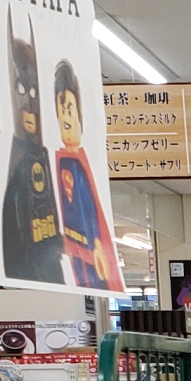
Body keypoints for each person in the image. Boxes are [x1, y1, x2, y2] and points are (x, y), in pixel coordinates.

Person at [0, 19, 65, 286]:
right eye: (21, 90)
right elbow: (11, 216)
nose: (28, 101)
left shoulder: (40, 155)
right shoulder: (15, 158)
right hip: (27, 264)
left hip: (47, 261)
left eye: (33, 92)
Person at [51, 61, 124, 292]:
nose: (66, 119)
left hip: (90, 248)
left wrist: (97, 245)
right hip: (74, 245)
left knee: (93, 280)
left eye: (70, 110)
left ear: (80, 117)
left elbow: (91, 207)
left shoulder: (80, 165)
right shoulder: (60, 161)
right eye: (61, 111)